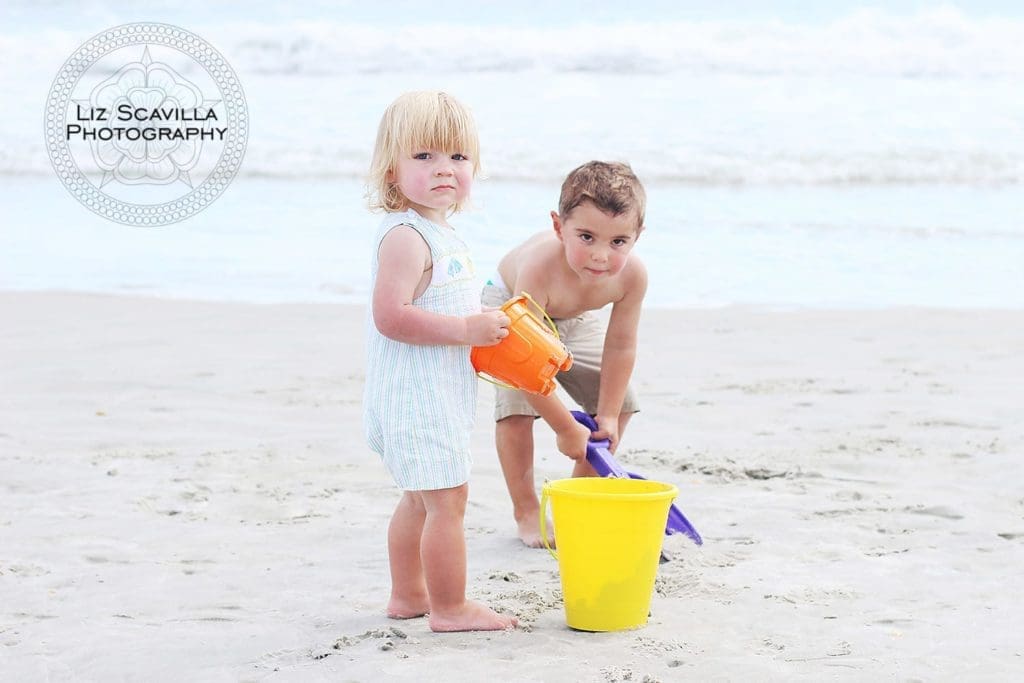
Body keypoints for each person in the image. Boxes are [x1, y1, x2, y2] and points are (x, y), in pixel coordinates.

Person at [363, 91, 517, 631]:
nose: (444, 169)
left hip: (429, 395)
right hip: (417, 398)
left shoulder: (442, 233)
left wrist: (481, 323)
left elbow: (443, 302)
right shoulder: (406, 237)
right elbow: (392, 317)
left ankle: (408, 596)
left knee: (421, 500)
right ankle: (450, 607)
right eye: (424, 157)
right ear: (391, 171)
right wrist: (465, 329)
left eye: (458, 157)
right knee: (447, 501)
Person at [482, 161, 648, 547]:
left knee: (620, 403)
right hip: (514, 307)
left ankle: (573, 502)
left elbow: (621, 344)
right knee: (517, 411)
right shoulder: (540, 267)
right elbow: (527, 370)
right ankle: (526, 510)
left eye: (618, 242)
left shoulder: (632, 277)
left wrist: (604, 413)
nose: (600, 256)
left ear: (637, 236)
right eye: (586, 237)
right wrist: (564, 427)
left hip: (572, 315)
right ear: (559, 227)